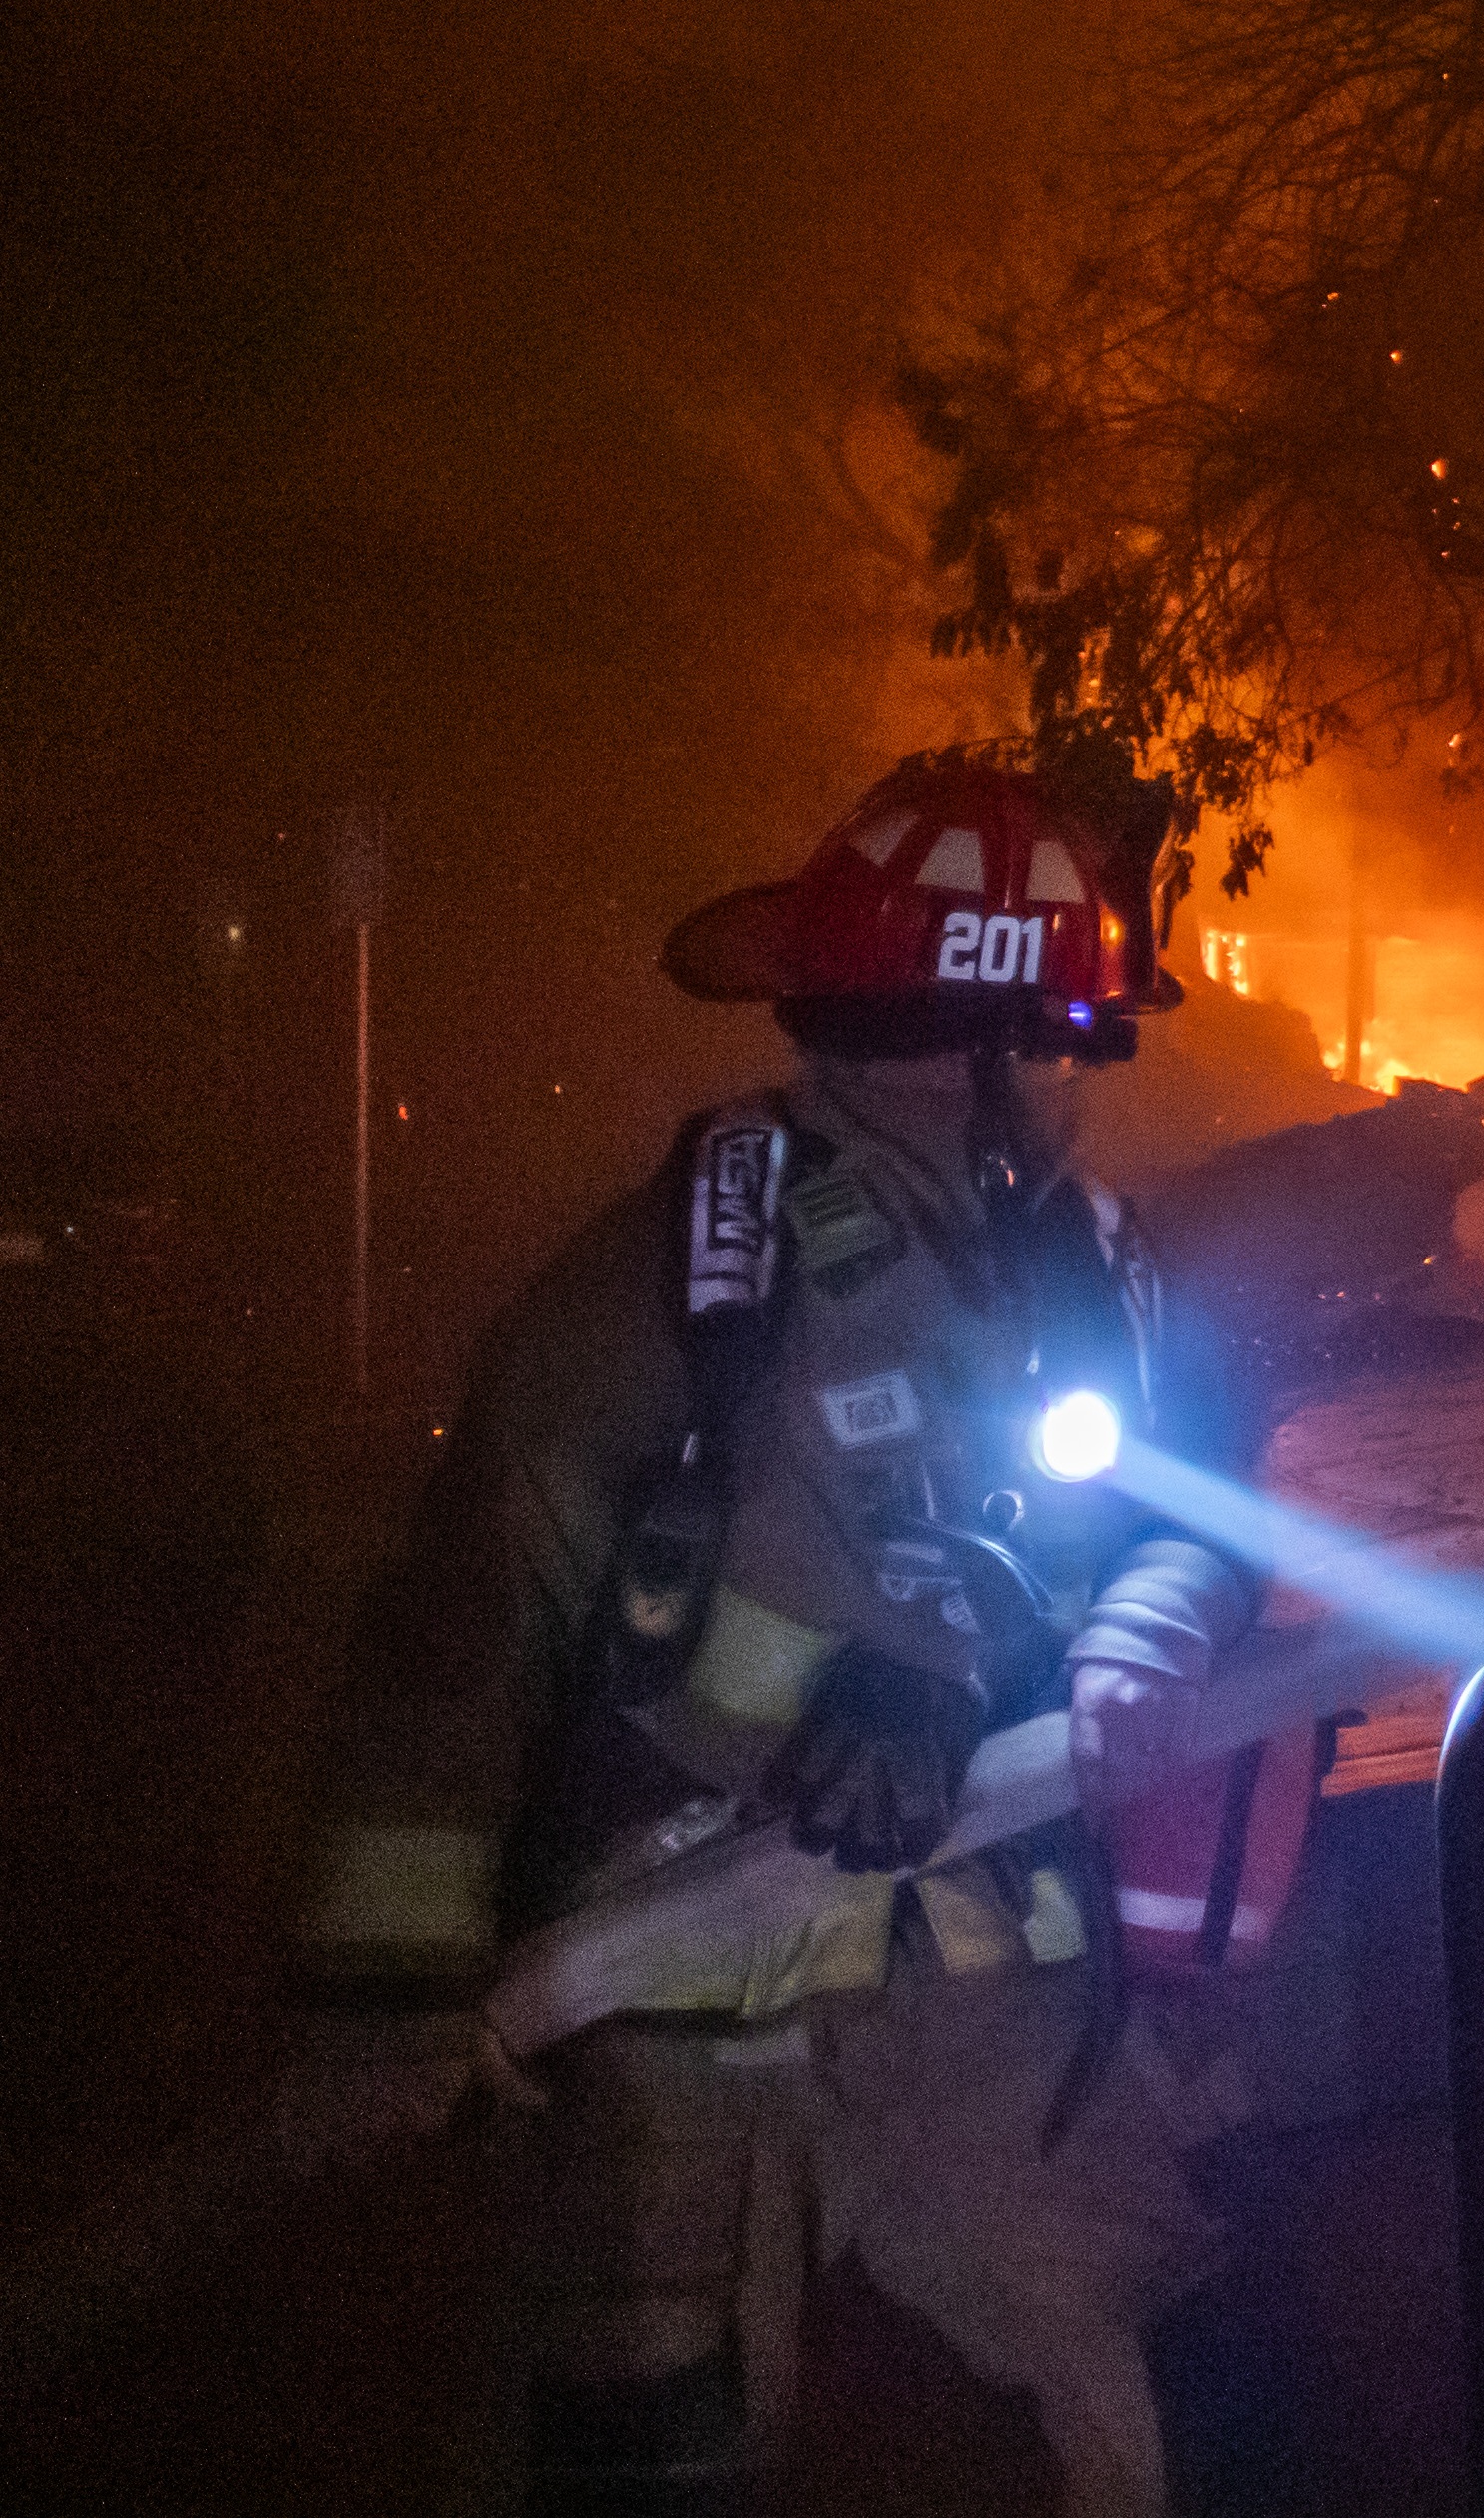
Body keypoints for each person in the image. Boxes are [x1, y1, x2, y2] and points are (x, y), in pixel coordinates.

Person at [290, 750, 1263, 2518]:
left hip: (982, 1984)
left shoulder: (1090, 1270)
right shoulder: (685, 1281)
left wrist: (1149, 1627)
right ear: (977, 1050)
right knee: (647, 2452)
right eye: (1062, 1042)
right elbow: (464, 1633)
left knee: (1156, 2395)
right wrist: (386, 1992)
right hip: (673, 1991)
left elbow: (1197, 1518)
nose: (1074, 1085)